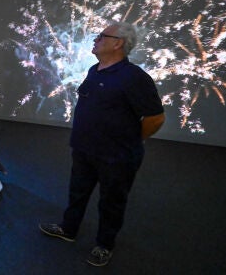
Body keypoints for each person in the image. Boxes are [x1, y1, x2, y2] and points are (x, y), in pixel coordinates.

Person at [39, 22, 165, 266]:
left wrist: (132, 139)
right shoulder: (94, 70)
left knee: (111, 201)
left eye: (101, 36)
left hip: (117, 156)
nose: (95, 40)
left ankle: (104, 245)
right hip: (85, 149)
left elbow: (155, 117)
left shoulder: (135, 77)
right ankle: (69, 229)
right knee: (77, 193)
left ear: (118, 43)